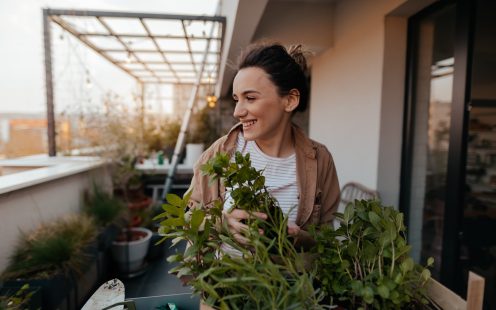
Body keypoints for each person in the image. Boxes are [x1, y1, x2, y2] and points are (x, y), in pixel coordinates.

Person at [187, 42, 340, 250]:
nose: (237, 111)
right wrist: (219, 224)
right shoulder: (219, 153)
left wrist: (300, 239)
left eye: (250, 98)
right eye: (236, 99)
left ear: (290, 100)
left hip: (288, 281)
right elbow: (187, 218)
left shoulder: (320, 160)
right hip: (221, 281)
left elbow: (327, 238)